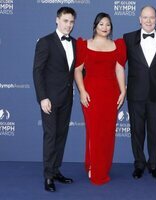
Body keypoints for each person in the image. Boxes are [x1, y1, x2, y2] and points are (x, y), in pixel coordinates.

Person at [75, 12, 126, 185]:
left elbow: (119, 70)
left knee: (107, 133)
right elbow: (77, 70)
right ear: (95, 26)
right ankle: (94, 169)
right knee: (94, 132)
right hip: (91, 93)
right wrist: (82, 91)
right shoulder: (84, 44)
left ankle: (100, 167)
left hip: (110, 93)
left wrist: (123, 91)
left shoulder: (117, 45)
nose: (105, 27)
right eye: (101, 24)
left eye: (108, 24)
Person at [123, 6, 156, 179]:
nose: (149, 20)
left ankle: (153, 165)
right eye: (145, 17)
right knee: (137, 132)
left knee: (155, 131)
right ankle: (139, 164)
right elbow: (117, 64)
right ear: (139, 19)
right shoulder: (128, 38)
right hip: (135, 94)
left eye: (152, 17)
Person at [33, 7, 76, 192]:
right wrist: (43, 97)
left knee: (61, 136)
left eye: (72, 22)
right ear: (57, 20)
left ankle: (56, 170)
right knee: (51, 136)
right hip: (49, 99)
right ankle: (48, 176)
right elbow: (37, 71)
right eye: (65, 21)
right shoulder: (45, 42)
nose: (69, 25)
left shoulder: (74, 43)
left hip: (67, 98)